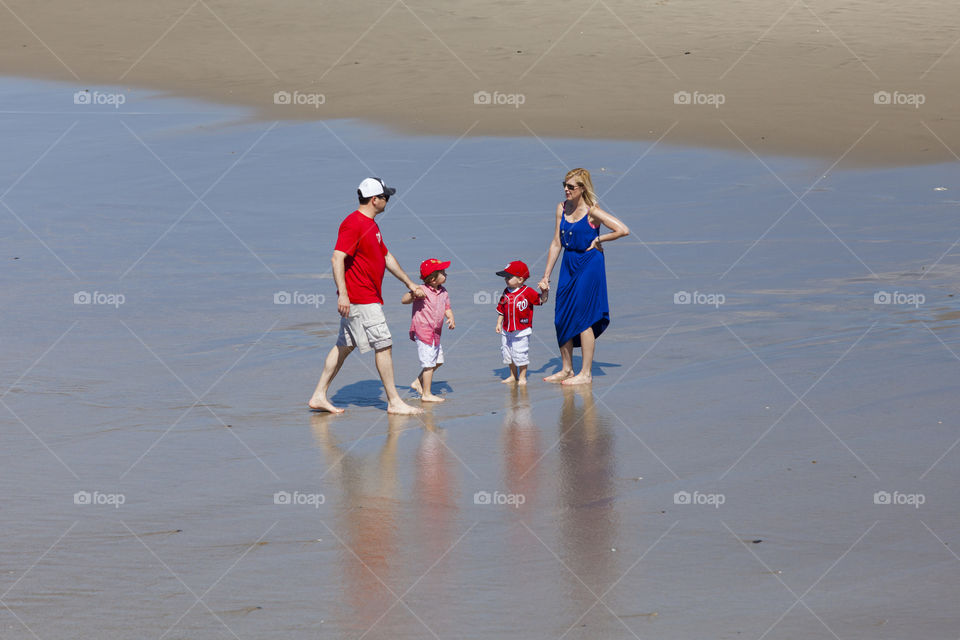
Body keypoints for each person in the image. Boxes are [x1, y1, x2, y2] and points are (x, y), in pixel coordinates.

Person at [308, 177, 425, 415]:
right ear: (375, 199)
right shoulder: (354, 223)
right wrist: (343, 294)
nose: (388, 200)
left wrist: (410, 283)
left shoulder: (371, 225)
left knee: (344, 346)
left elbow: (386, 257)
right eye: (386, 197)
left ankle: (319, 395)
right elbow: (337, 258)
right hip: (361, 298)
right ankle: (394, 402)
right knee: (384, 345)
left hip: (365, 296)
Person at [538, 168, 629, 385]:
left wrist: (600, 240)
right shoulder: (561, 208)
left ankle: (585, 374)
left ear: (583, 188)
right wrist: (546, 276)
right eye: (565, 185)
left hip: (589, 264)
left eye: (571, 187)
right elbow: (556, 243)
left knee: (584, 316)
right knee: (561, 314)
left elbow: (622, 229)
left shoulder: (592, 211)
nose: (566, 190)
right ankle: (567, 369)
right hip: (569, 263)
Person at [403, 258, 455, 402]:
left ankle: (417, 382)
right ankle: (426, 394)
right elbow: (404, 300)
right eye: (442, 272)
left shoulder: (443, 292)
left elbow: (447, 307)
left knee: (438, 361)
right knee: (428, 364)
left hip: (436, 334)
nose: (446, 274)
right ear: (432, 279)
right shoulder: (422, 290)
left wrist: (451, 318)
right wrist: (414, 294)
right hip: (423, 332)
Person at [496, 260, 548, 385]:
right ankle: (513, 375)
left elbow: (541, 300)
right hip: (506, 328)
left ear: (520, 279)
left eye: (508, 277)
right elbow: (501, 309)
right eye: (505, 277)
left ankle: (523, 376)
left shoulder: (528, 292)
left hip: (522, 329)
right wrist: (498, 323)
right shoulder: (506, 291)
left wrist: (545, 291)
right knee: (507, 353)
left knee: (520, 353)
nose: (505, 279)